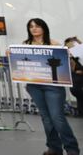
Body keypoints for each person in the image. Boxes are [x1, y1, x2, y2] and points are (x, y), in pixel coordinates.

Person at [23, 19, 79, 155]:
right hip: (34, 86)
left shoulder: (54, 44)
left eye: (37, 26)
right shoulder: (25, 44)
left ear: (44, 28)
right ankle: (54, 148)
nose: (34, 29)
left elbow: (68, 65)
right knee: (46, 118)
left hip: (53, 86)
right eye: (31, 27)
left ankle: (72, 149)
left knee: (57, 117)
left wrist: (69, 57)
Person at [65, 36, 83, 117]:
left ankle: (80, 111)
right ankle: (80, 111)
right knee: (76, 91)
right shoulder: (70, 57)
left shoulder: (80, 53)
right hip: (76, 77)